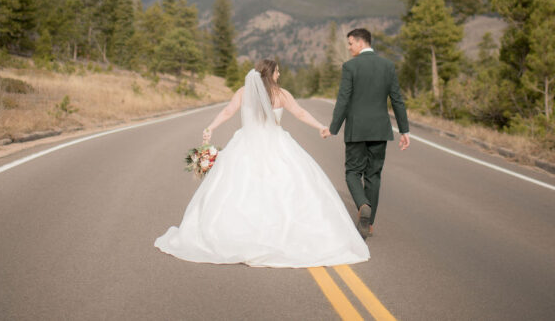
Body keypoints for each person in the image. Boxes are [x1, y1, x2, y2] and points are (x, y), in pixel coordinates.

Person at [155, 59, 369, 267]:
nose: (279, 75)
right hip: (277, 144)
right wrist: (320, 126)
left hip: (245, 144)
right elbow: (300, 113)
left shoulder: (244, 92)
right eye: (277, 71)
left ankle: (237, 232)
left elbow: (228, 111)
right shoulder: (281, 94)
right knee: (285, 187)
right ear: (271, 74)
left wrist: (211, 127)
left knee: (239, 188)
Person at [329, 28, 410, 238]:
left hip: (356, 129)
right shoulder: (387, 66)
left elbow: (343, 99)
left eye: (350, 43)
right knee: (373, 175)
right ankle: (370, 223)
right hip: (380, 129)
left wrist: (333, 128)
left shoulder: (350, 66)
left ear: (360, 42)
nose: (349, 48)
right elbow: (397, 99)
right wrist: (404, 130)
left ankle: (362, 205)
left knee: (352, 172)